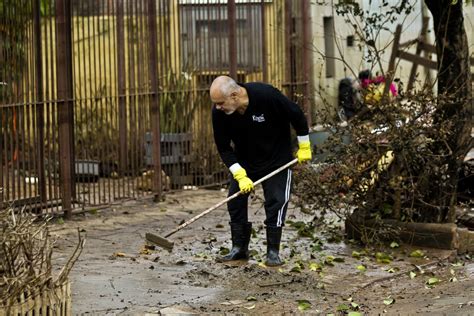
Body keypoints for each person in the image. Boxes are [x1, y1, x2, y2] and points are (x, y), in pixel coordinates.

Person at [210, 75, 312, 266]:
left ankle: (273, 252)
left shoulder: (266, 95)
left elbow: (296, 114)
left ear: (234, 95)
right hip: (245, 161)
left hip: (277, 159)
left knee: (277, 201)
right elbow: (223, 147)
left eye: (220, 103)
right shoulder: (219, 114)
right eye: (215, 104)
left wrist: (304, 145)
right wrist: (239, 174)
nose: (217, 107)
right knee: (235, 201)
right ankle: (239, 248)